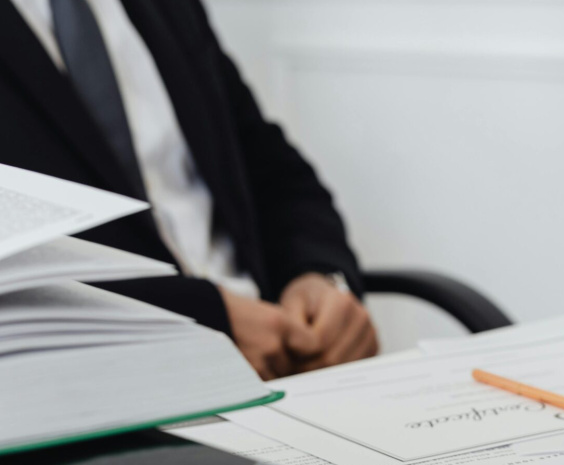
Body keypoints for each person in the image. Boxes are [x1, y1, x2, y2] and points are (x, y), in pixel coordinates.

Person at [0, 0, 377, 379]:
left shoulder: (167, 10)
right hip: (108, 383)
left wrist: (318, 276)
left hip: (284, 358)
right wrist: (207, 315)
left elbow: (271, 171)